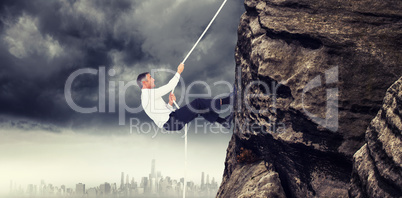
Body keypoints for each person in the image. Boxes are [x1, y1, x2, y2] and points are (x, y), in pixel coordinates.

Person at [137, 63, 234, 131]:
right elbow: (169, 87)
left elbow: (160, 114)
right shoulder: (148, 94)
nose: (153, 79)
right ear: (144, 82)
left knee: (199, 109)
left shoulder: (146, 96)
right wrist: (178, 72)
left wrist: (170, 103)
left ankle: (224, 122)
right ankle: (230, 100)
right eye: (150, 77)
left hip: (170, 123)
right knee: (198, 103)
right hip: (172, 121)